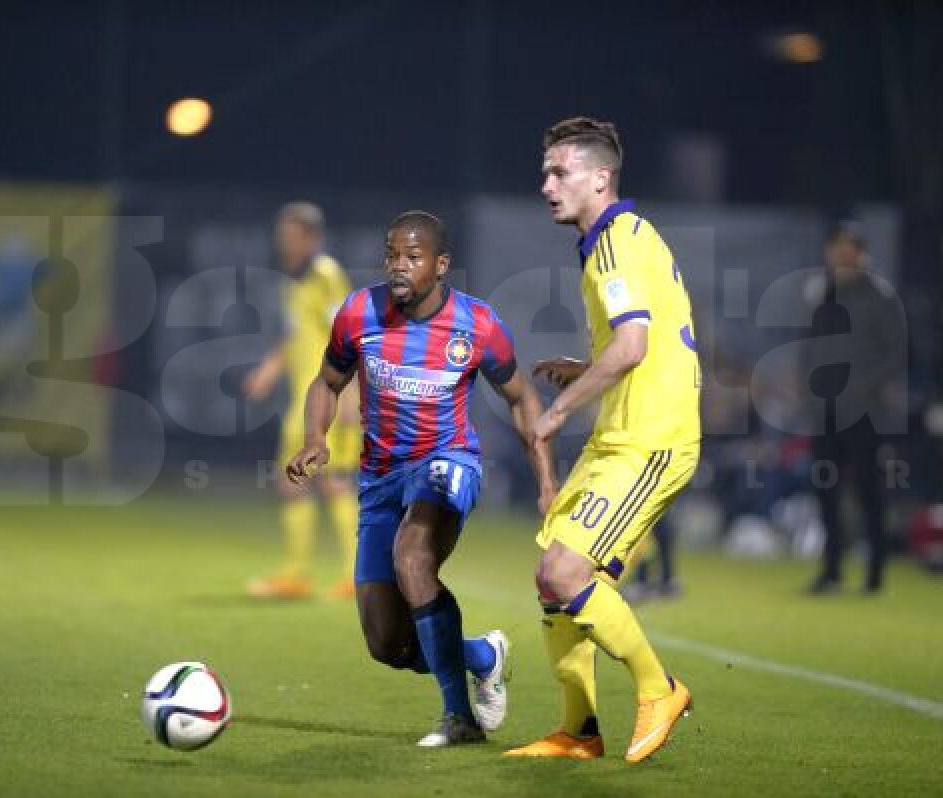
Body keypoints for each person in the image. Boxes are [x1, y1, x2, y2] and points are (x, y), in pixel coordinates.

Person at [287, 211, 558, 747]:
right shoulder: (359, 312)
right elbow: (327, 381)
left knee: (414, 554)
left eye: (412, 257)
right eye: (392, 255)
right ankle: (484, 655)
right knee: (386, 643)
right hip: (380, 478)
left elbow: (521, 397)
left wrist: (546, 480)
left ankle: (459, 720)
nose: (398, 267)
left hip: (447, 462)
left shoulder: (477, 324)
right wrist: (315, 438)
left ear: (441, 264)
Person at [505, 117, 701, 764]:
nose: (546, 185)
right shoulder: (613, 241)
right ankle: (579, 730)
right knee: (550, 579)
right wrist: (588, 371)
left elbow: (634, 345)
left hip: (649, 441)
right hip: (622, 434)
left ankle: (660, 688)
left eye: (559, 172)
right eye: (544, 173)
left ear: (600, 177)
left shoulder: (616, 240)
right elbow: (637, 347)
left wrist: (559, 408)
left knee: (565, 571)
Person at [243, 202, 362, 600]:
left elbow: (348, 335)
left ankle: (354, 576)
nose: (285, 243)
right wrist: (269, 369)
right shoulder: (293, 281)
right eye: (282, 236)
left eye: (293, 236)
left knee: (335, 482)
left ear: (312, 238)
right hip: (302, 401)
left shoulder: (326, 275)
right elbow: (297, 337)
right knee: (293, 482)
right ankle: (297, 574)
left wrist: (350, 394)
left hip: (329, 395)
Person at [802, 221, 903, 595]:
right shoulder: (823, 293)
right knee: (825, 492)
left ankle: (875, 574)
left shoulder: (879, 296)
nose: (840, 257)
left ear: (860, 254)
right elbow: (811, 348)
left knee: (869, 493)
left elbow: (894, 354)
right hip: (825, 411)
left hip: (865, 412)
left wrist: (864, 388)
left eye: (847, 250)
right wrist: (809, 388)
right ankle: (831, 571)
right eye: (835, 249)